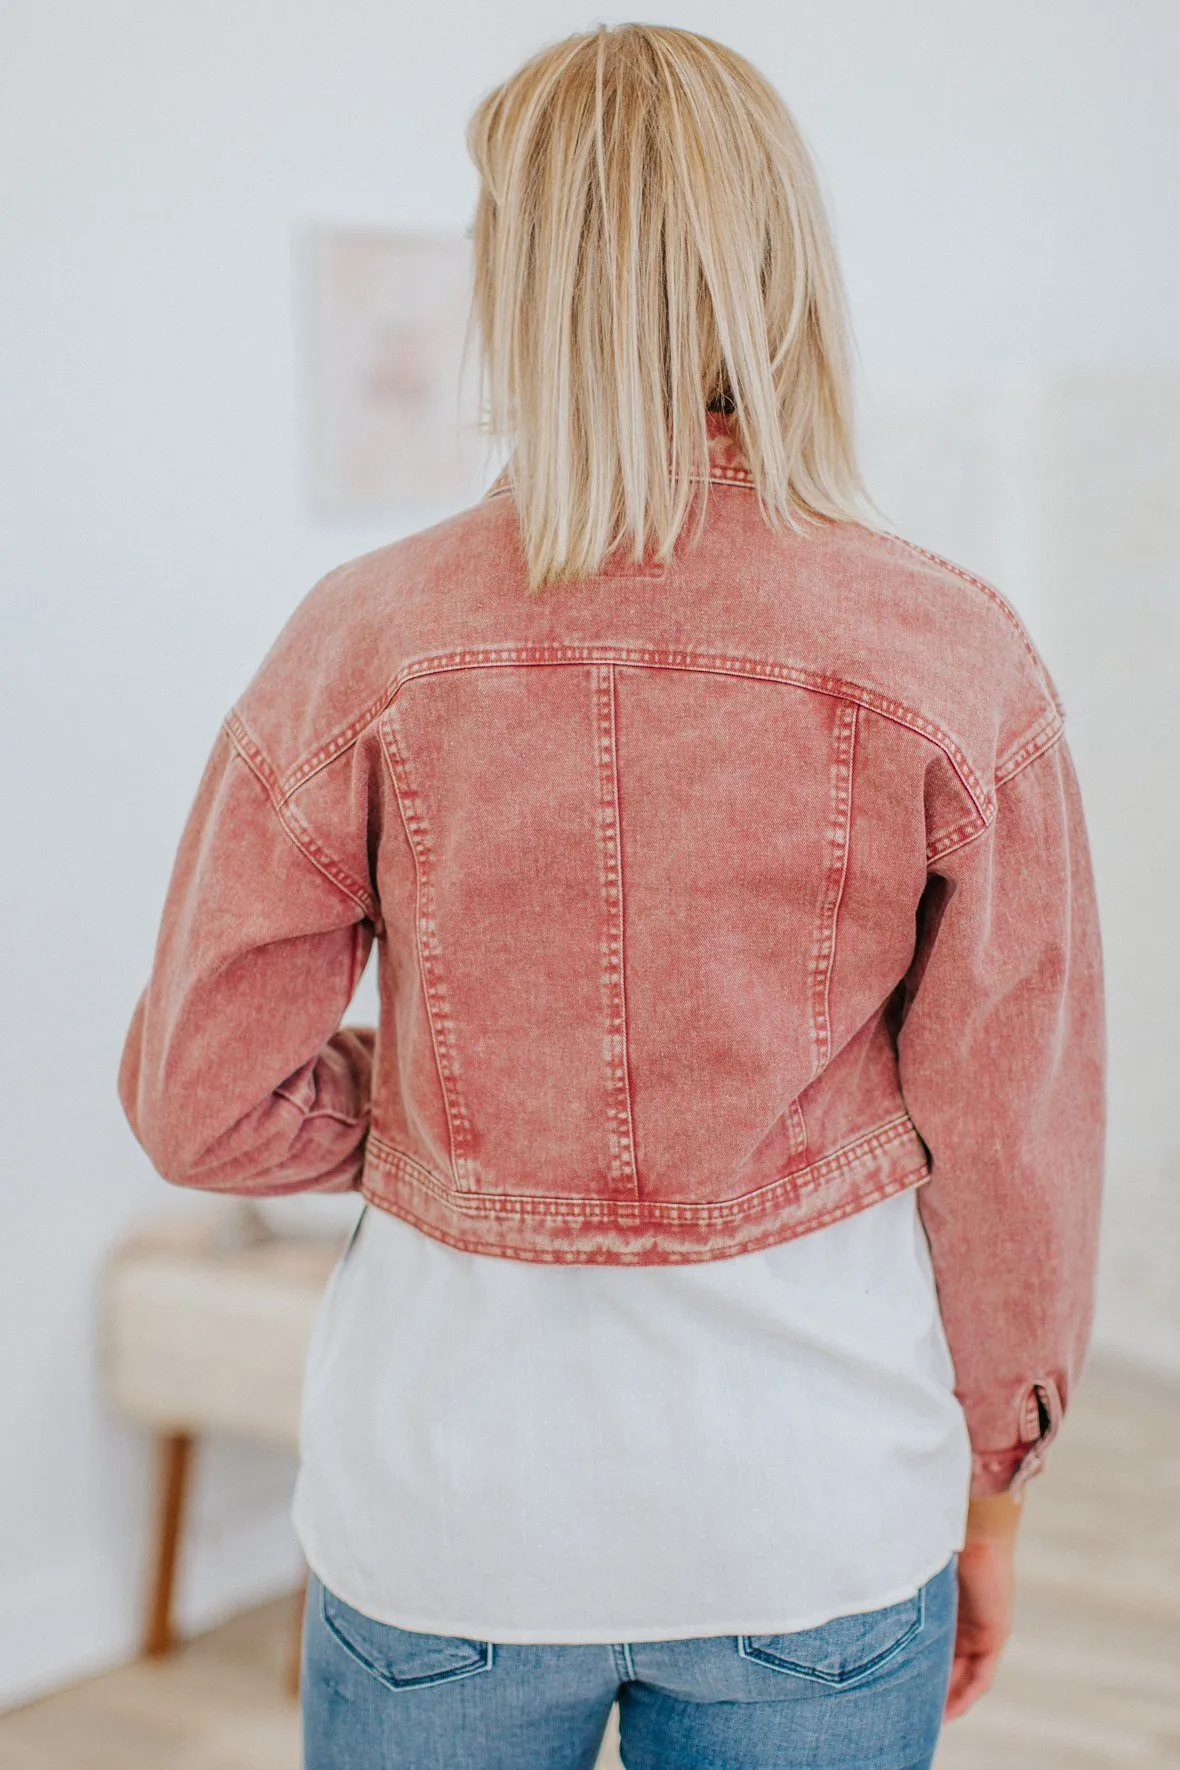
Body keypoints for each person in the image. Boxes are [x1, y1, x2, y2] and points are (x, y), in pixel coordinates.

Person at [117, 24, 1105, 1770]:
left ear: (519, 281)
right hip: (816, 1511)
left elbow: (202, 1100)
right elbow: (1012, 1152)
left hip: (447, 1515)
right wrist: (999, 1496)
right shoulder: (954, 655)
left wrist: (421, 1108)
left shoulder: (364, 637)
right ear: (785, 269)